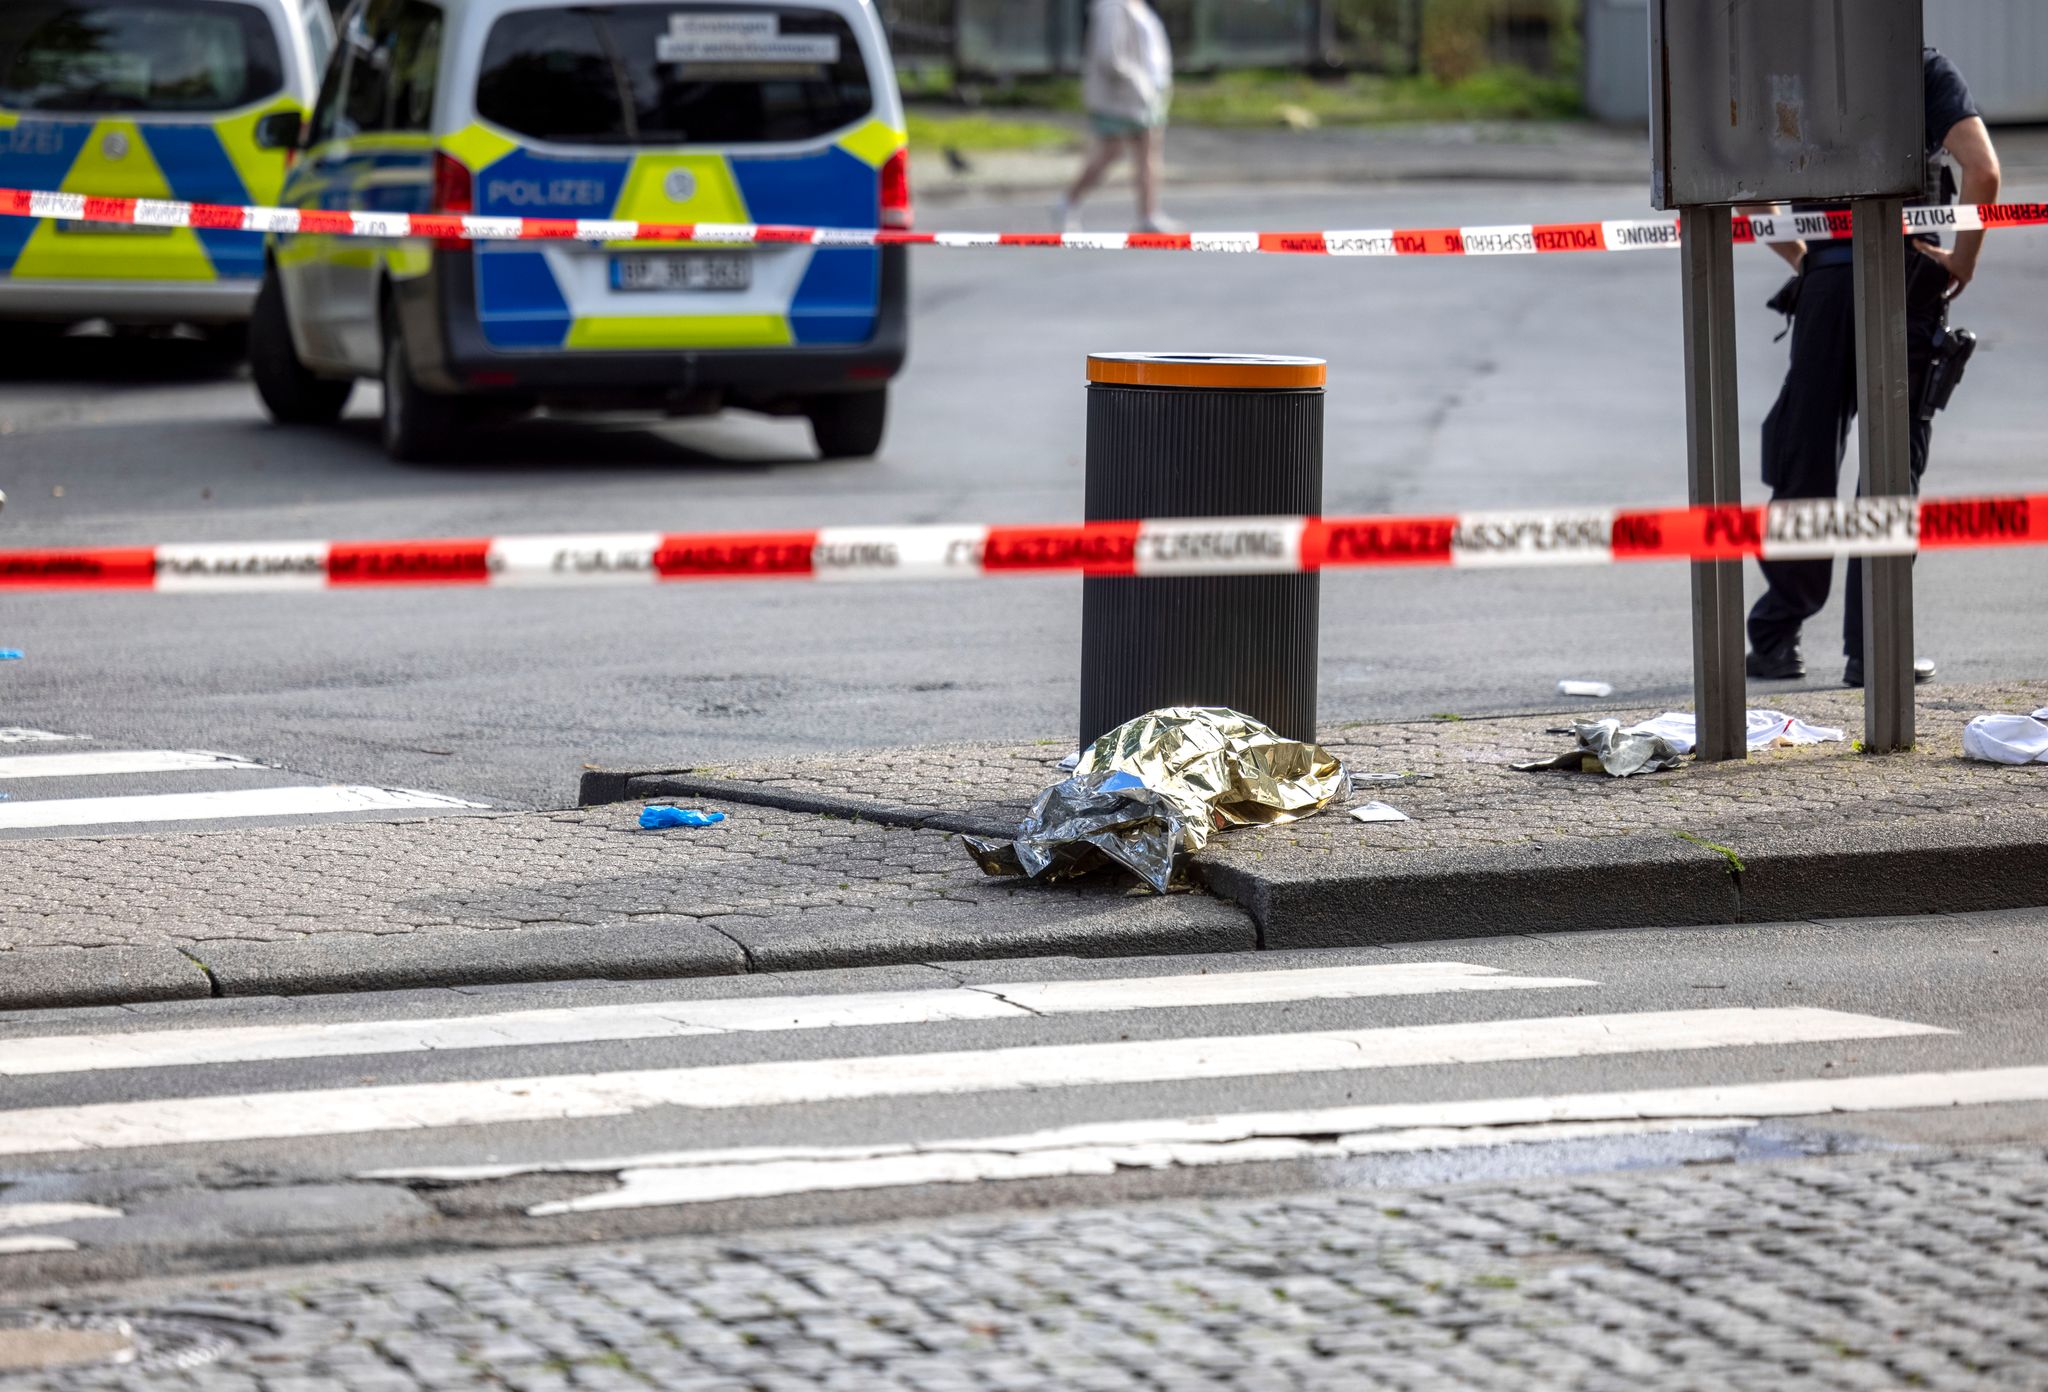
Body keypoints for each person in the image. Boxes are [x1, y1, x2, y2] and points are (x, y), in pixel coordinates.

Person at [1744, 48, 2002, 688]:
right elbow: (1983, 172)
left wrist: (1809, 259)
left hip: (1826, 288)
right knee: (1890, 471)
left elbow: (1752, 195)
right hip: (1907, 278)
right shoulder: (1920, 68)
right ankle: (1873, 649)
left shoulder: (1799, 75)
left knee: (1805, 459)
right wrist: (1962, 261)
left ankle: (1777, 636)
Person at [1058, 0, 1179, 235]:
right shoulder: (1112, 7)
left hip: (1149, 96)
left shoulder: (1140, 6)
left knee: (1149, 153)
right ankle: (1068, 202)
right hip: (1120, 97)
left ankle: (1148, 214)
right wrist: (1139, 84)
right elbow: (1109, 56)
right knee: (1110, 152)